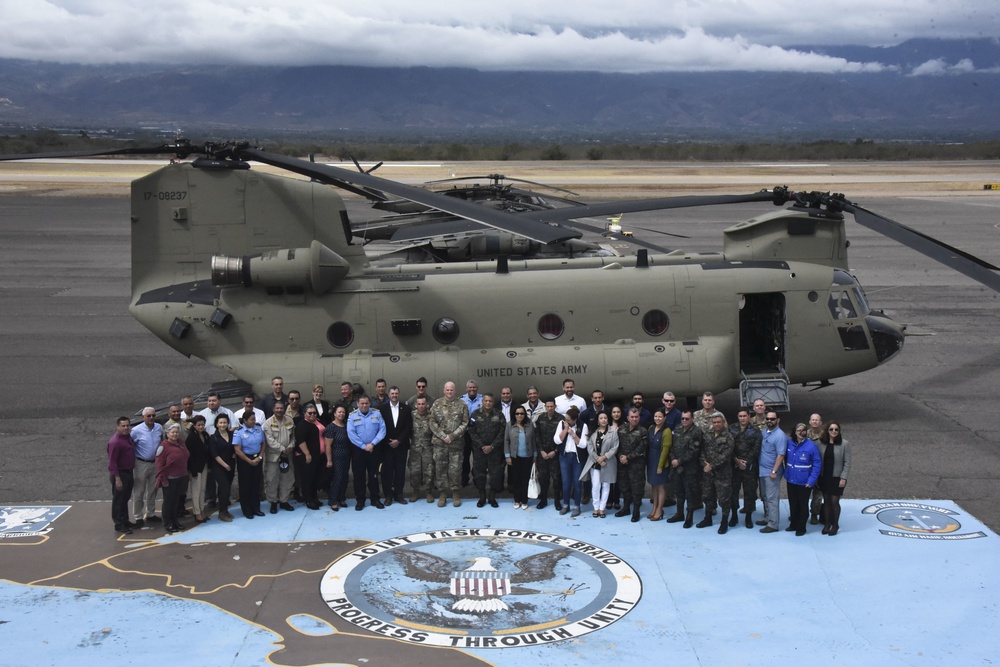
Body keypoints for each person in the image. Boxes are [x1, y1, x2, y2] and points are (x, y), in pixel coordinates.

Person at [430, 381, 470, 507]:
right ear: (444, 390)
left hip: (456, 444)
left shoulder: (462, 404)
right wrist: (443, 436)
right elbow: (432, 422)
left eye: (451, 390)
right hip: (440, 444)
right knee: (440, 469)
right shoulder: (437, 404)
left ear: (455, 390)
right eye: (447, 390)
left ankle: (456, 494)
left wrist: (452, 436)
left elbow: (465, 423)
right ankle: (442, 495)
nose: (449, 392)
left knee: (455, 470)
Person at [697, 415, 735, 534]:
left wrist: (711, 465)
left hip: (722, 473)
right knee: (707, 496)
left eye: (719, 422)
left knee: (724, 498)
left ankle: (724, 522)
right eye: (714, 422)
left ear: (723, 422)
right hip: (708, 473)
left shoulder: (728, 437)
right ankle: (707, 518)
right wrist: (704, 464)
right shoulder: (707, 435)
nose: (717, 424)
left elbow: (726, 455)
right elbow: (701, 450)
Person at [348, 395, 387, 510]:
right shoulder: (352, 416)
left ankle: (375, 499)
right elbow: (351, 433)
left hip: (373, 450)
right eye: (362, 403)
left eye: (366, 403)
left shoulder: (377, 414)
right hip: (358, 450)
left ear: (370, 404)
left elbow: (382, 430)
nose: (364, 405)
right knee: (359, 476)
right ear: (357, 404)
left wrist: (373, 444)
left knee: (373, 475)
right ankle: (360, 500)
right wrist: (362, 446)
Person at [667, 411, 705, 528]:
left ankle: (689, 516)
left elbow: (694, 451)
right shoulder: (677, 428)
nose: (684, 421)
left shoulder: (696, 432)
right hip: (676, 467)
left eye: (687, 419)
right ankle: (679, 513)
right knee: (678, 492)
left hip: (690, 469)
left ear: (692, 419)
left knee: (690, 493)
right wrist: (673, 459)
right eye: (683, 419)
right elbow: (672, 446)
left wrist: (679, 461)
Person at [469, 394, 507, 508]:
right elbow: (471, 430)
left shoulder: (499, 414)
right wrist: (482, 446)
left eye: (490, 401)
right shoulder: (475, 414)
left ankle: (492, 496)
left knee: (495, 473)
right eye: (486, 401)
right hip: (479, 450)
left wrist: (492, 446)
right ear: (482, 401)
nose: (488, 403)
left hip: (494, 451)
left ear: (493, 402)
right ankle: (482, 495)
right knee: (479, 473)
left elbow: (503, 431)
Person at [785, 423, 822, 536]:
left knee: (802, 505)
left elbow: (817, 464)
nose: (802, 433)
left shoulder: (811, 446)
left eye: (804, 430)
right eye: (799, 430)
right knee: (793, 503)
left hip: (804, 482)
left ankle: (801, 527)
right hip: (791, 480)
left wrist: (811, 481)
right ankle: (793, 524)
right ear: (794, 432)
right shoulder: (789, 443)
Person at [728, 407, 762, 529]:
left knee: (750, 492)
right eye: (740, 416)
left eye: (744, 416)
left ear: (749, 416)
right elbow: (728, 446)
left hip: (749, 467)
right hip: (734, 466)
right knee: (733, 492)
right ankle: (734, 516)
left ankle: (748, 517)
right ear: (738, 417)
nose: (742, 418)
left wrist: (745, 462)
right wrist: (736, 460)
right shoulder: (731, 428)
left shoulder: (755, 430)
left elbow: (756, 449)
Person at [379, 386, 412, 505]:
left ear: (399, 394)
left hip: (401, 446)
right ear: (389, 395)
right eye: (392, 393)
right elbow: (380, 426)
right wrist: (390, 441)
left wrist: (399, 440)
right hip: (386, 446)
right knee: (387, 472)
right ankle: (388, 496)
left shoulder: (406, 408)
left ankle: (399, 494)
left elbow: (408, 427)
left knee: (400, 471)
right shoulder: (382, 409)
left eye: (396, 393)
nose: (394, 395)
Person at [581, 412, 618, 518]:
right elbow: (590, 448)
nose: (603, 420)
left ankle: (602, 508)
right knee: (596, 486)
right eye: (601, 418)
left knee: (606, 486)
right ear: (598, 420)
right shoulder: (593, 432)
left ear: (608, 419)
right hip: (595, 463)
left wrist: (604, 457)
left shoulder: (613, 432)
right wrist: (598, 459)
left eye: (605, 418)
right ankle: (596, 507)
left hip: (608, 463)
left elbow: (615, 447)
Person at [131, 407, 163, 526]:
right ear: (143, 417)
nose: (151, 418)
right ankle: (138, 516)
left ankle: (150, 513)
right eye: (148, 416)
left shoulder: (159, 428)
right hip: (141, 463)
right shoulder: (136, 430)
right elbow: (131, 445)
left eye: (153, 415)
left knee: (153, 490)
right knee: (139, 491)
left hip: (155, 463)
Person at [817, 421, 851, 535]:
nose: (834, 431)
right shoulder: (821, 443)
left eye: (836, 429)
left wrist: (844, 478)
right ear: (827, 431)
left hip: (837, 478)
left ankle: (835, 524)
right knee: (826, 501)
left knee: (834, 501)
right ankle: (827, 524)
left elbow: (847, 463)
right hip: (824, 476)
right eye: (831, 429)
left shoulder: (845, 444)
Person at [262, 401, 296, 513]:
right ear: (273, 409)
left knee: (287, 479)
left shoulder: (290, 420)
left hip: (288, 456)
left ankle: (284, 501)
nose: (279, 410)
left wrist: (290, 447)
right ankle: (273, 502)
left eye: (281, 408)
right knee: (271, 479)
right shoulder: (267, 423)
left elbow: (293, 437)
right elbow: (270, 440)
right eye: (277, 408)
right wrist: (283, 450)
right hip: (273, 457)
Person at [555, 406, 589, 517]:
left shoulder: (583, 426)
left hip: (577, 458)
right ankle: (565, 504)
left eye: (569, 420)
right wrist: (565, 430)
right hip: (564, 457)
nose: (566, 421)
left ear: (575, 420)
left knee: (577, 483)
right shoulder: (561, 424)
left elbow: (583, 444)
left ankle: (577, 506)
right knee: (566, 482)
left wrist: (573, 434)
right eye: (566, 419)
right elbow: (557, 440)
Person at [757, 411, 788, 534]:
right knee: (764, 496)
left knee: (772, 498)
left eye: (772, 419)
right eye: (768, 418)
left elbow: (781, 455)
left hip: (772, 472)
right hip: (762, 470)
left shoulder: (780, 436)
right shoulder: (765, 432)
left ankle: (773, 524)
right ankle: (768, 518)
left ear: (778, 420)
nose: (769, 421)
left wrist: (774, 471)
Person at [156, 424, 190, 533]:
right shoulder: (163, 447)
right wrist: (162, 478)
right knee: (169, 501)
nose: (175, 434)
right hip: (170, 478)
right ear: (167, 434)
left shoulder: (181, 443)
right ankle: (168, 523)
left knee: (177, 501)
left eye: (176, 432)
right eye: (172, 432)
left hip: (182, 476)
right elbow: (159, 464)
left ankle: (175, 521)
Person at [615, 408, 648, 522]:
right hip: (622, 464)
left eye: (636, 417)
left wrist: (628, 457)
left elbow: (641, 448)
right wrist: (620, 456)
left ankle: (636, 511)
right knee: (624, 486)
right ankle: (626, 508)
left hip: (636, 465)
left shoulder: (643, 431)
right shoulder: (621, 429)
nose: (634, 419)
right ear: (628, 418)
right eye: (632, 417)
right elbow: (616, 444)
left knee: (637, 488)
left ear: (639, 418)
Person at [233, 410, 266, 520]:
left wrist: (260, 457)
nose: (254, 421)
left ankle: (256, 508)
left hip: (257, 458)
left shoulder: (258, 429)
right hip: (245, 461)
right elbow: (237, 450)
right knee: (245, 485)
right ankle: (247, 510)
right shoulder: (239, 432)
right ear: (245, 420)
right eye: (251, 420)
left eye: (254, 419)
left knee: (256, 484)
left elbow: (263, 443)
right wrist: (249, 461)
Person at [532, 399, 563, 511]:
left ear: (555, 407)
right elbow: (537, 436)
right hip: (543, 454)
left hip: (555, 454)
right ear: (545, 407)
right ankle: (543, 500)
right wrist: (541, 451)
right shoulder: (541, 418)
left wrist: (555, 451)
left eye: (552, 406)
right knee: (543, 479)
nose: (550, 408)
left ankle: (557, 501)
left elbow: (563, 438)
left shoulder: (560, 419)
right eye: (548, 406)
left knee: (556, 479)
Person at [107, 416, 136, 534]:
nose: (126, 428)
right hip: (120, 474)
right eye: (123, 426)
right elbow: (112, 463)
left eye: (127, 425)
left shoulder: (128, 437)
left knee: (125, 498)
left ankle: (125, 520)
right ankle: (119, 524)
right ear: (117, 427)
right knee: (118, 500)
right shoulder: (115, 442)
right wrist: (117, 479)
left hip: (129, 472)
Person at [505, 405, 536, 509]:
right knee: (516, 479)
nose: (519, 415)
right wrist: (507, 456)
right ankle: (517, 499)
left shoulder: (530, 424)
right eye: (517, 413)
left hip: (528, 456)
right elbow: (506, 441)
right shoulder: (510, 425)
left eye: (522, 413)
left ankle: (524, 500)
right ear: (514, 415)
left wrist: (535, 455)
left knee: (525, 479)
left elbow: (534, 440)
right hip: (515, 457)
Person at [294, 406, 324, 510]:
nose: (312, 415)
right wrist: (307, 454)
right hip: (307, 457)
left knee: (315, 478)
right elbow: (301, 440)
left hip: (318, 456)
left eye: (314, 413)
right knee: (307, 479)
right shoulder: (302, 425)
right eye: (310, 413)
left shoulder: (316, 422)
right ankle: (308, 500)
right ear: (304, 413)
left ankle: (314, 497)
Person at [208, 414, 236, 522]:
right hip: (220, 466)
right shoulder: (213, 437)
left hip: (231, 465)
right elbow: (215, 455)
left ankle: (225, 509)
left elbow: (235, 447)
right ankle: (222, 512)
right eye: (220, 423)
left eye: (224, 422)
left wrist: (234, 455)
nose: (222, 425)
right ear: (216, 424)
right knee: (224, 488)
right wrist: (225, 465)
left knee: (226, 488)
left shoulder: (232, 434)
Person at [324, 405, 352, 511]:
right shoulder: (331, 427)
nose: (341, 414)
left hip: (346, 455)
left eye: (343, 412)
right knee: (338, 477)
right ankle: (333, 500)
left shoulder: (346, 425)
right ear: (334, 414)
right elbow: (327, 445)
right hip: (336, 456)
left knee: (345, 477)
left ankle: (341, 498)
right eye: (339, 412)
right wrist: (329, 460)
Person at [185, 414, 212, 522]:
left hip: (204, 465)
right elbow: (189, 455)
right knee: (196, 491)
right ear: (194, 426)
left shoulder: (205, 435)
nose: (201, 427)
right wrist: (192, 470)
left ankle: (201, 509)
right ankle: (197, 512)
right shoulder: (191, 437)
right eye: (199, 425)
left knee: (202, 489)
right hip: (195, 468)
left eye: (202, 425)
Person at [408, 397, 435, 503]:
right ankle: (415, 491)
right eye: (419, 404)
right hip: (415, 449)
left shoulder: (431, 416)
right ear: (416, 405)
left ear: (427, 405)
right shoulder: (411, 416)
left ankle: (429, 492)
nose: (421, 406)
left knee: (429, 471)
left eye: (423, 404)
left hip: (428, 448)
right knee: (414, 471)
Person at [647, 409, 672, 521]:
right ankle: (654, 507)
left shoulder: (666, 431)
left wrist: (660, 466)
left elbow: (665, 450)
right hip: (651, 460)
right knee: (653, 485)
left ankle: (659, 509)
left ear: (664, 418)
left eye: (660, 416)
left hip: (660, 460)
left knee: (661, 486)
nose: (658, 418)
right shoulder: (651, 429)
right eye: (656, 416)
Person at [459, 380, 482, 487]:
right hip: (465, 433)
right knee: (465, 457)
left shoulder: (482, 399)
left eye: (474, 387)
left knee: (477, 457)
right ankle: (464, 478)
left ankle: (477, 478)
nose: (472, 389)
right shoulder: (461, 400)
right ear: (466, 389)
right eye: (470, 388)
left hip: (478, 433)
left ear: (477, 388)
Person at [806, 412, 826, 524]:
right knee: (803, 494)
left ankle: (814, 514)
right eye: (812, 419)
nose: (814, 421)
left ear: (821, 422)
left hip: (820, 469)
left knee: (818, 496)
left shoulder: (825, 436)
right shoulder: (804, 434)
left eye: (817, 420)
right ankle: (800, 513)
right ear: (809, 422)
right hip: (806, 469)